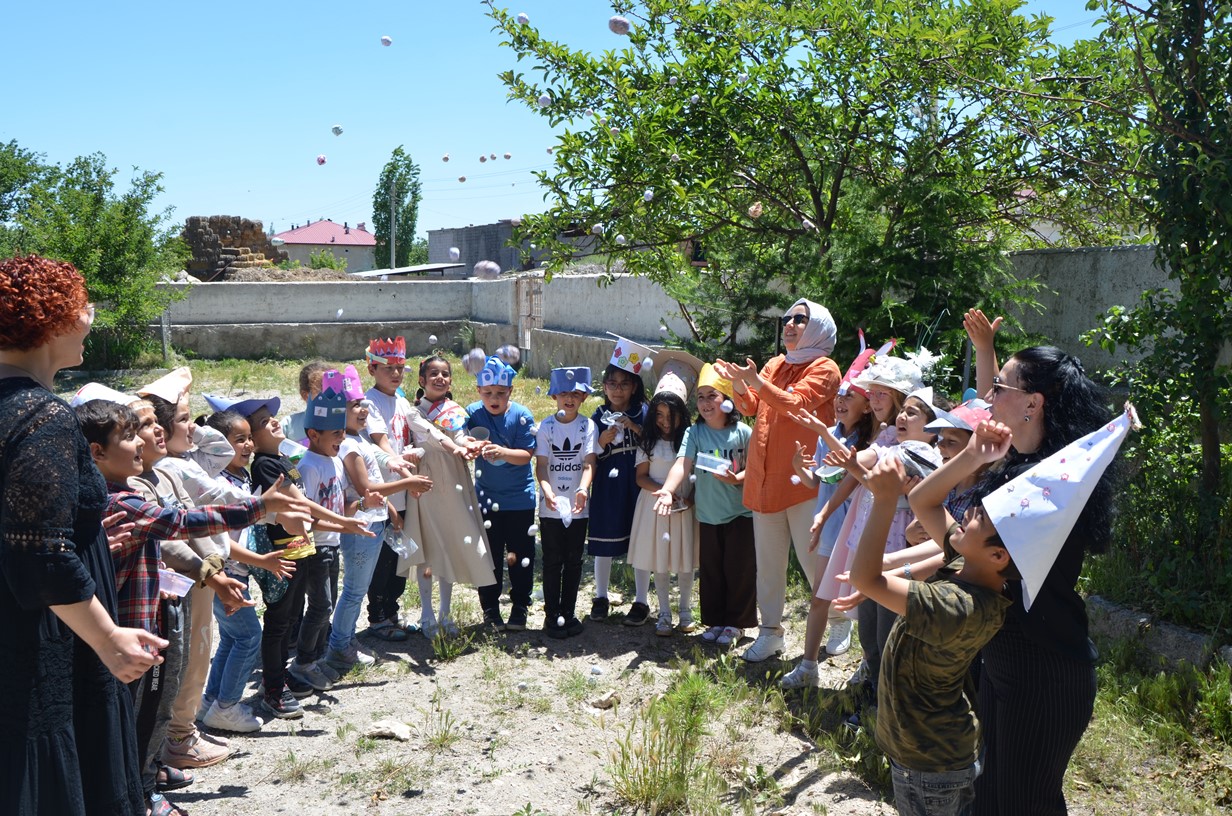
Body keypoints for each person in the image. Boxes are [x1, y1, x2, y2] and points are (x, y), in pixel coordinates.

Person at [0, 254, 159, 816]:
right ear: (51, 319)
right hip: (42, 647)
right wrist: (108, 638)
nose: (91, 314)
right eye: (82, 303)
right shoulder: (42, 417)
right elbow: (39, 553)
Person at [964, 345, 1118, 815]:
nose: (987, 396)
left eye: (999, 387)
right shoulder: (1022, 473)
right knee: (993, 794)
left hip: (1044, 671)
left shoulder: (1044, 490)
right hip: (1006, 657)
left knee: (1022, 803)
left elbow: (958, 543)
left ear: (1033, 404)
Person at [851, 455, 1013, 816]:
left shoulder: (958, 606)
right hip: (937, 751)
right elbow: (925, 500)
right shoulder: (972, 569)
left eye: (979, 518)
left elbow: (866, 578)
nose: (969, 512)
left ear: (997, 554)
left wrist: (885, 500)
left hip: (928, 763)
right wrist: (974, 453)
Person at [713, 298, 841, 662]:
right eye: (786, 318)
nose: (789, 324)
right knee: (768, 565)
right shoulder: (773, 363)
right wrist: (740, 385)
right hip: (765, 480)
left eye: (799, 319)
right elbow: (752, 405)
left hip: (804, 481)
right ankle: (771, 632)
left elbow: (796, 403)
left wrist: (755, 382)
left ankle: (839, 617)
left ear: (818, 326)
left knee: (813, 560)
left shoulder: (825, 367)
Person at [776, 348, 878, 678]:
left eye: (850, 396)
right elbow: (820, 483)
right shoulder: (830, 435)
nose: (840, 401)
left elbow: (852, 468)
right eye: (839, 395)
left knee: (863, 604)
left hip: (858, 533)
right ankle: (808, 665)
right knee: (819, 597)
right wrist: (798, 468)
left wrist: (821, 433)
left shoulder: (871, 441)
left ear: (867, 406)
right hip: (830, 528)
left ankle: (867, 665)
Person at [328, 366, 429, 671]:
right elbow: (366, 487)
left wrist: (391, 507)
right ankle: (339, 646)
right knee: (355, 590)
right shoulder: (347, 444)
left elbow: (378, 469)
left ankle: (345, 641)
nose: (363, 410)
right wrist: (406, 484)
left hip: (372, 521)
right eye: (354, 405)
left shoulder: (359, 440)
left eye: (362, 404)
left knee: (360, 587)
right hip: (360, 528)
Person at [653, 362, 754, 647]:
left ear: (727, 400)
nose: (706, 403)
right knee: (711, 570)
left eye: (713, 396)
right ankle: (716, 620)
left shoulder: (743, 433)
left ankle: (736, 623)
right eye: (701, 397)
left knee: (739, 569)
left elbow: (756, 469)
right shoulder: (694, 434)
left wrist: (738, 478)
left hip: (740, 514)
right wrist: (667, 490)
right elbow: (681, 465)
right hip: (707, 515)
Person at [411, 355, 495, 638]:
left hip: (453, 480)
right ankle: (426, 614)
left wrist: (469, 443)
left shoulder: (454, 410)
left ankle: (445, 613)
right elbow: (427, 439)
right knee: (428, 547)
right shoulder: (412, 412)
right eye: (433, 374)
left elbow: (458, 437)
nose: (439, 378)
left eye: (445, 374)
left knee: (449, 543)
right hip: (425, 482)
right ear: (422, 380)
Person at [627, 351, 702, 636]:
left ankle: (685, 609)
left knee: (684, 558)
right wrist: (665, 494)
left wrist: (688, 498)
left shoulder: (692, 438)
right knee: (659, 558)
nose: (665, 421)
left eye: (671, 415)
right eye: (659, 414)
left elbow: (696, 476)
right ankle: (664, 612)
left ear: (682, 414)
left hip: (684, 506)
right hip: (655, 506)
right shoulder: (648, 441)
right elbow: (641, 477)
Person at [466, 355, 538, 631]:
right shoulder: (472, 413)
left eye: (500, 393)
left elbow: (525, 455)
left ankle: (520, 606)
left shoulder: (522, 415)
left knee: (520, 555)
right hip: (486, 499)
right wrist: (468, 445)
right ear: (478, 392)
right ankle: (490, 608)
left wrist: (502, 452)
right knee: (490, 556)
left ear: (511, 391)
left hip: (519, 499)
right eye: (488, 394)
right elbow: (459, 437)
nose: (494, 399)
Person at [587, 336, 649, 622]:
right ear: (603, 386)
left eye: (624, 384)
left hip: (637, 483)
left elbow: (655, 444)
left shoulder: (643, 413)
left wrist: (635, 428)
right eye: (611, 383)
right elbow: (589, 455)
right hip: (607, 487)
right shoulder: (598, 416)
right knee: (605, 537)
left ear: (634, 386)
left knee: (640, 539)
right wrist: (601, 440)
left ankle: (641, 600)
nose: (617, 389)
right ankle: (601, 596)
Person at [535, 366, 598, 638]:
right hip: (550, 509)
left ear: (583, 397)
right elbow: (542, 466)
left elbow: (588, 463)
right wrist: (547, 492)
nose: (568, 398)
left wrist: (583, 490)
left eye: (575, 393)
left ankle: (568, 614)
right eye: (563, 393)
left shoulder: (588, 426)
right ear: (553, 397)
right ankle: (551, 616)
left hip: (578, 508)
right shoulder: (545, 427)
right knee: (551, 561)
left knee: (574, 561)